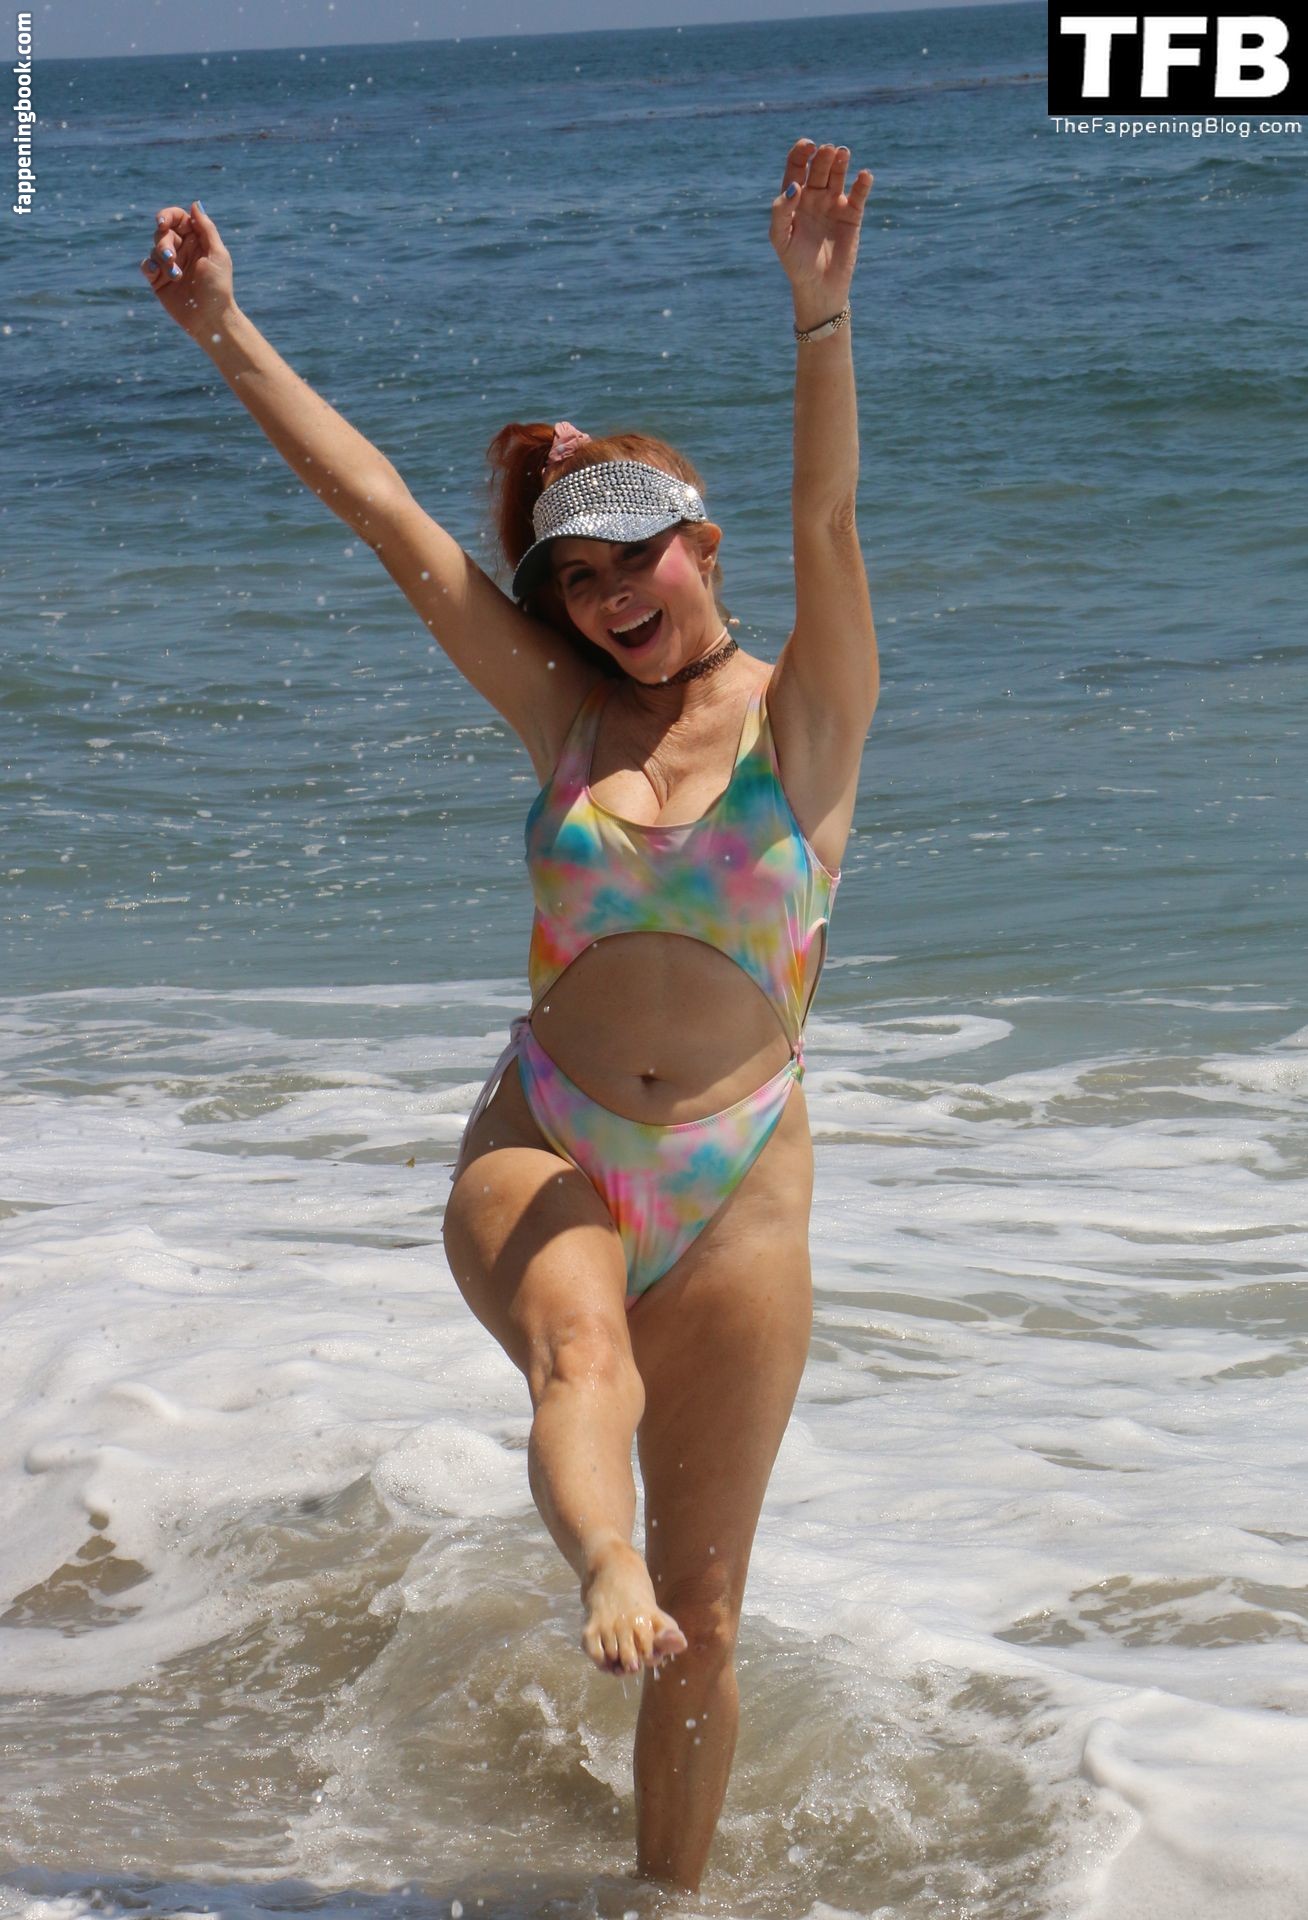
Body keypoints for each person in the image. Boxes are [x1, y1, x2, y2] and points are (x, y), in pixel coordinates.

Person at [142, 136, 878, 1893]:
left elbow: (831, 526)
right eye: (579, 583)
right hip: (546, 1130)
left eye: (638, 560)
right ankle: (597, 1565)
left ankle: (663, 1897)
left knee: (710, 1613)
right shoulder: (564, 716)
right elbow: (390, 517)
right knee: (581, 1358)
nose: (613, 601)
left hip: (738, 1177)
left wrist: (819, 318)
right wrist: (225, 329)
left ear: (700, 545)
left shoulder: (809, 723)